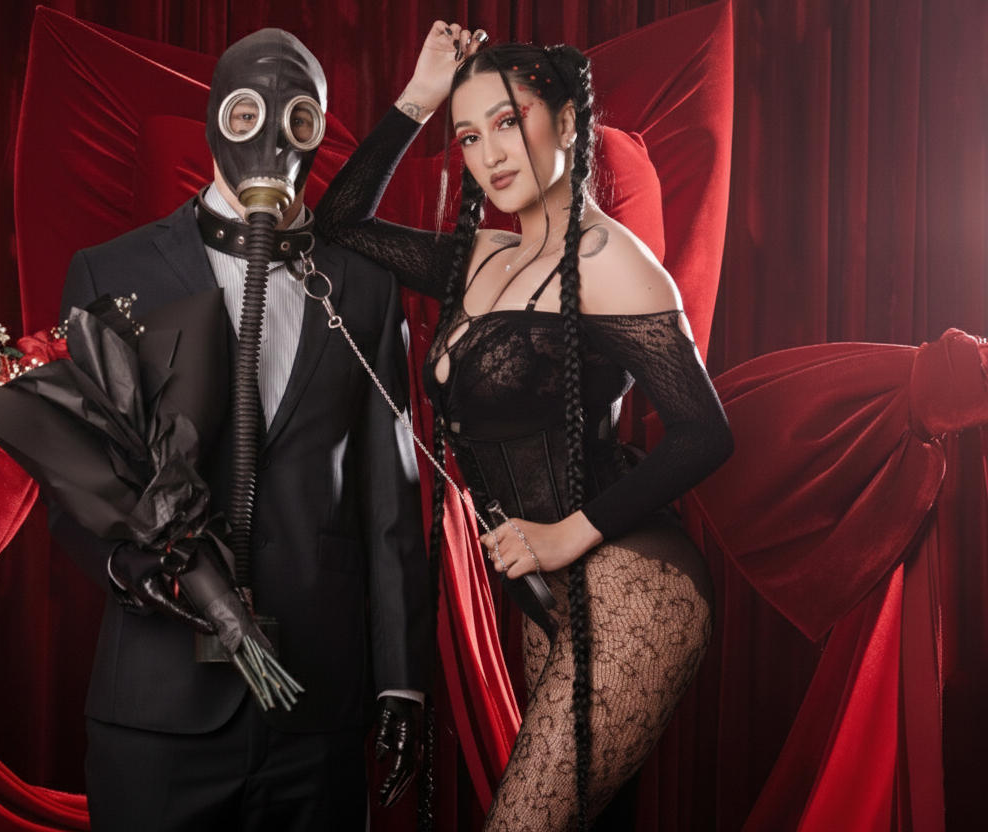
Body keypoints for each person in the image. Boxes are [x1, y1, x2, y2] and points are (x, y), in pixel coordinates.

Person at [315, 21, 734, 830]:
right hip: (547, 599)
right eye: (470, 136)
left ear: (568, 121)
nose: (489, 153)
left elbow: (704, 432)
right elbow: (340, 225)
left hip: (632, 585)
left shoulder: (610, 261)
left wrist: (565, 536)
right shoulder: (481, 257)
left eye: (508, 122)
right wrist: (419, 97)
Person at [46, 28, 432, 831]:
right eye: (249, 113)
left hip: (316, 714)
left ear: (318, 133)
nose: (272, 143)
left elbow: (389, 502)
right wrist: (132, 569)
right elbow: (75, 480)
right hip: (158, 710)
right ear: (216, 118)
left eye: (299, 120)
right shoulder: (113, 271)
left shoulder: (362, 288)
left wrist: (401, 680)